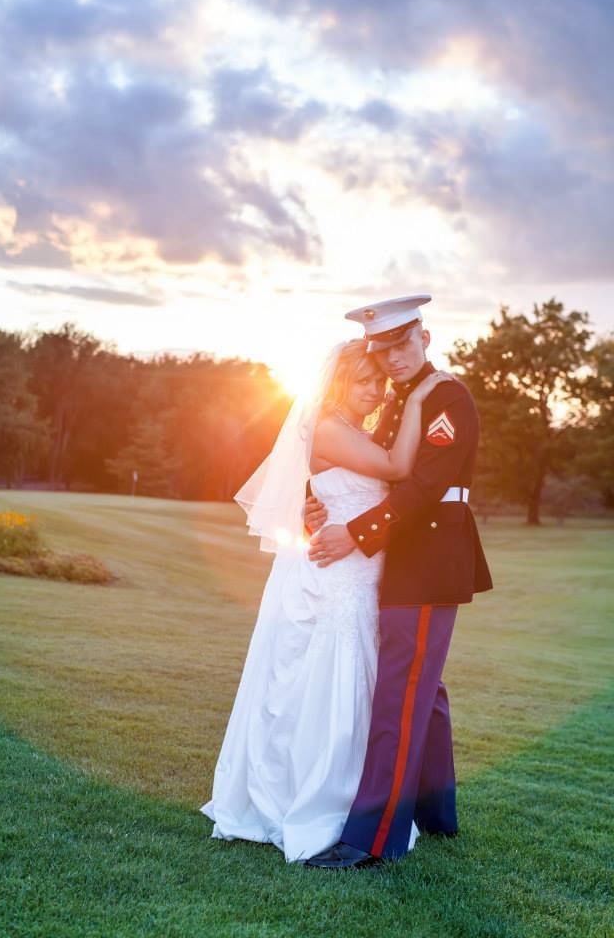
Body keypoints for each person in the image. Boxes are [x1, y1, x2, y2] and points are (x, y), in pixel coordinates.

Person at [201, 338, 450, 863]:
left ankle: (358, 796)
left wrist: (317, 509)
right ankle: (315, 798)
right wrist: (420, 395)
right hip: (336, 579)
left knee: (350, 680)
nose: (375, 389)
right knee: (326, 680)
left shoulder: (352, 429)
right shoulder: (333, 429)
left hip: (358, 573)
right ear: (338, 382)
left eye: (378, 381)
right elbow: (399, 465)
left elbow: (338, 491)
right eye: (362, 380)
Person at [303, 294, 493, 869]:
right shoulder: (400, 403)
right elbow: (371, 472)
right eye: (383, 352)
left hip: (428, 561)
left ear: (425, 338)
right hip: (401, 558)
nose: (393, 360)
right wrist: (323, 509)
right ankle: (437, 813)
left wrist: (356, 533)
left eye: (403, 345)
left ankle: (370, 838)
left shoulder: (445, 397)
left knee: (401, 694)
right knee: (423, 688)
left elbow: (422, 488)